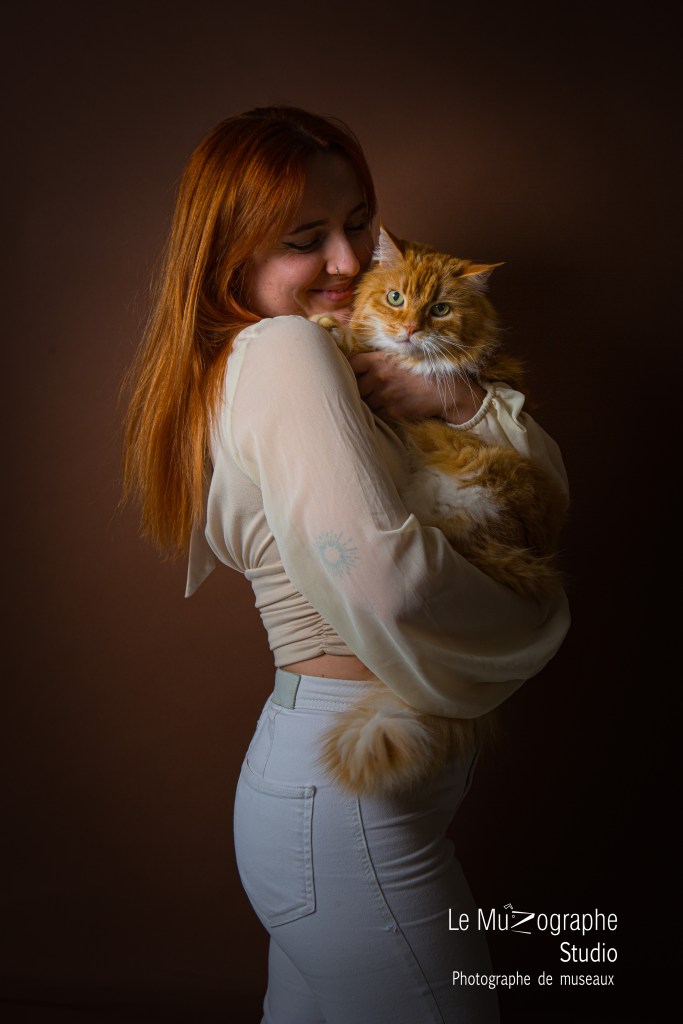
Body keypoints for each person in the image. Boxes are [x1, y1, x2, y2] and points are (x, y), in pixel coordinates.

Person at [122, 105, 570, 1024]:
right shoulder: (286, 350)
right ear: (230, 258)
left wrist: (456, 399)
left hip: (330, 798)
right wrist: (539, 620)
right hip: (348, 812)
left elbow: (541, 497)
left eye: (359, 223)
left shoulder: (318, 348)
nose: (348, 260)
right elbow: (386, 582)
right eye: (304, 239)